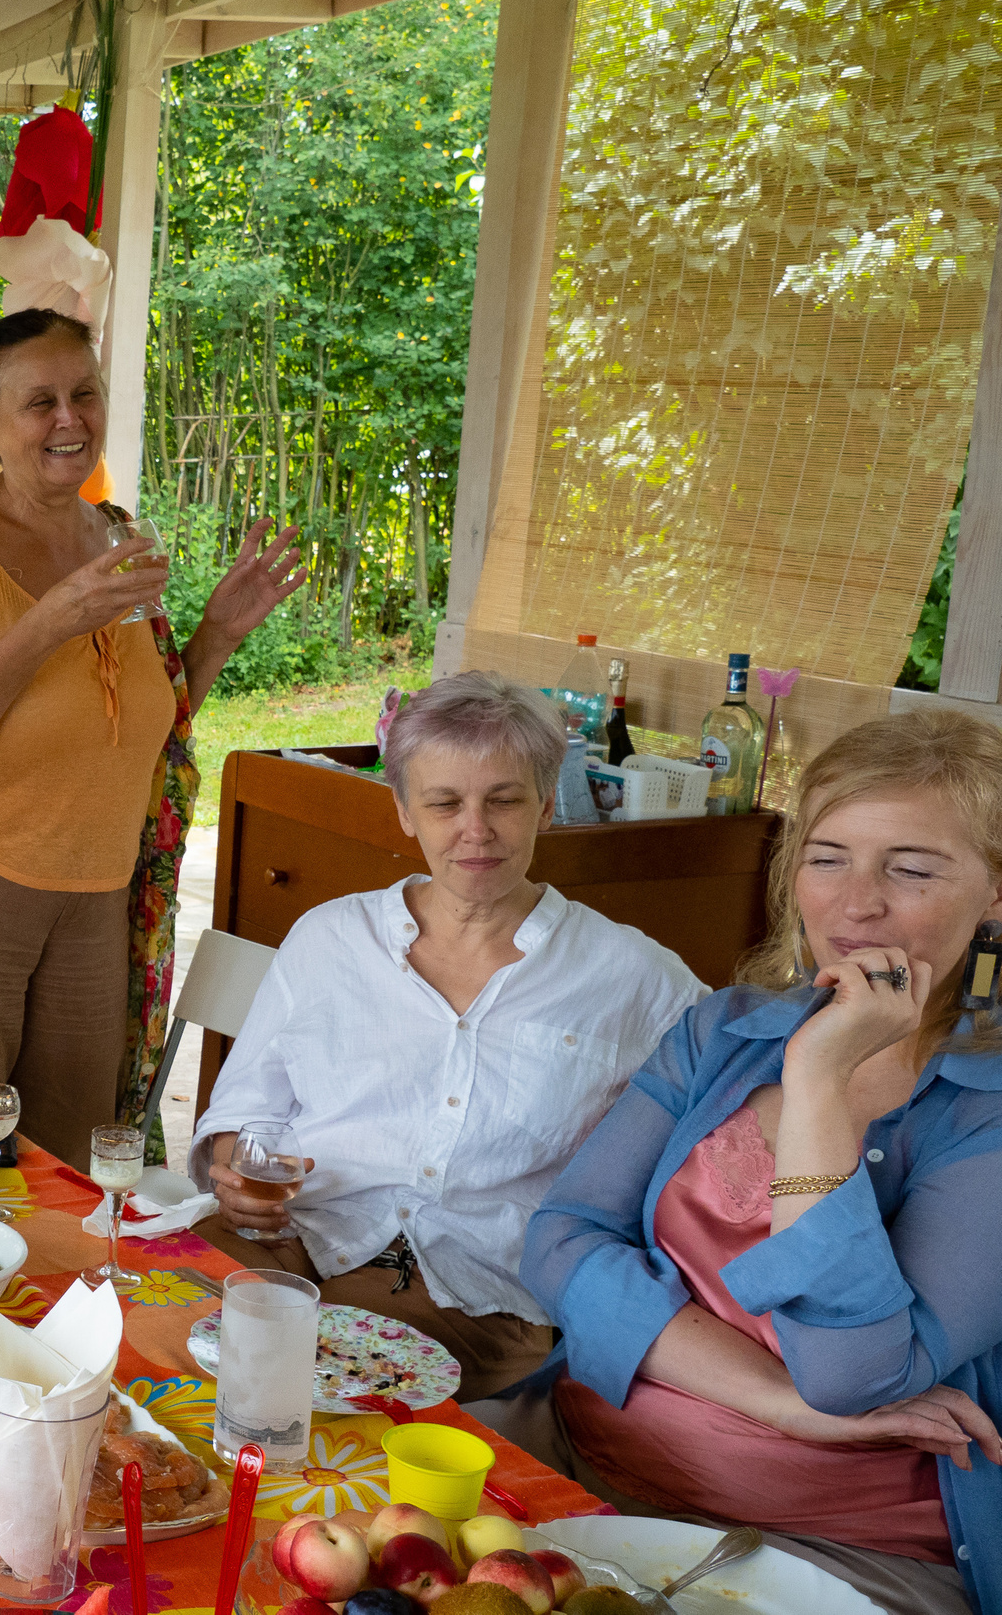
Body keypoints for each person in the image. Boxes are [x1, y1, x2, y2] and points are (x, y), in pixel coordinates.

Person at [500, 710, 1002, 1615]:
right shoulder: (725, 1029)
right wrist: (777, 1400)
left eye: (912, 868)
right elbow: (561, 1243)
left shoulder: (987, 1110)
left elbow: (849, 1376)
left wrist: (819, 1082)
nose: (856, 902)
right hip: (577, 1455)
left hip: (832, 1550)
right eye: (828, 857)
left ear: (995, 894)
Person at [0, 307, 305, 1164]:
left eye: (83, 393)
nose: (69, 418)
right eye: (39, 401)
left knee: (72, 1170)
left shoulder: (118, 536)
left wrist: (215, 637)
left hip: (99, 909)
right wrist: (48, 623)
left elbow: (139, 731)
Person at [191, 672, 705, 1400]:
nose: (476, 828)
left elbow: (726, 1114)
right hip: (296, 1230)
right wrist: (237, 1177)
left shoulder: (634, 976)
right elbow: (242, 1114)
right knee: (148, 1308)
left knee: (296, 1381)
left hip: (468, 1285)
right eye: (444, 803)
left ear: (546, 804)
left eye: (504, 799)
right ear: (405, 811)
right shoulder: (330, 937)